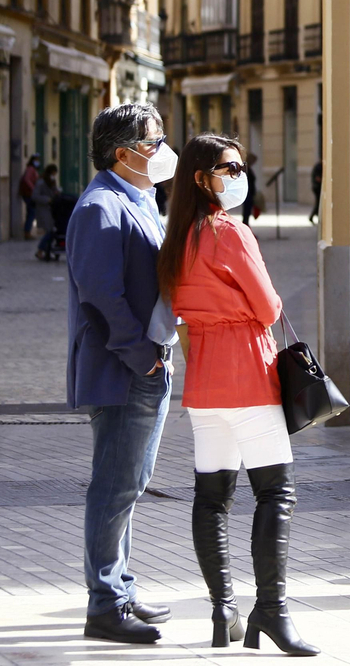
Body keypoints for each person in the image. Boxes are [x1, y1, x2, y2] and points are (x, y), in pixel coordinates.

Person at [158, 133, 318, 655]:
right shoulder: (230, 233)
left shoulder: (176, 237)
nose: (239, 175)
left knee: (212, 499)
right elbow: (270, 307)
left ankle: (222, 608)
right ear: (202, 177)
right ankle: (271, 611)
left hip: (203, 383)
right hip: (248, 375)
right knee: (276, 493)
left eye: (240, 166)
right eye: (229, 168)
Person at [65, 103, 179, 644]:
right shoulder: (100, 208)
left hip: (146, 363)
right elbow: (102, 296)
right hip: (124, 369)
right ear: (123, 153)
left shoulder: (140, 200)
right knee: (114, 486)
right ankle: (105, 605)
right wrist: (143, 356)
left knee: (130, 485)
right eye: (153, 143)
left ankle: (122, 588)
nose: (161, 152)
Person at [33, 164, 60, 260]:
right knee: (49, 231)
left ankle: (43, 250)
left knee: (51, 231)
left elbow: (54, 191)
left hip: (50, 210)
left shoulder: (51, 182)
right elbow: (35, 196)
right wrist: (47, 199)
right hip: (43, 210)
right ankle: (40, 250)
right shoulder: (40, 183)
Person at [19, 153, 41, 239]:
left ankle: (27, 232)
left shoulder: (32, 169)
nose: (38, 162)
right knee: (31, 212)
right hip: (29, 194)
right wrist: (33, 188)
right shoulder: (31, 169)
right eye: (36, 160)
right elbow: (26, 179)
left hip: (29, 194)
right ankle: (27, 232)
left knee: (31, 212)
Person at [308, 159, 323, 224]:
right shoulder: (318, 167)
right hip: (317, 188)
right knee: (318, 203)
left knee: (318, 203)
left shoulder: (318, 166)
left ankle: (315, 215)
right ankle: (312, 216)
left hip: (316, 187)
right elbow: (318, 178)